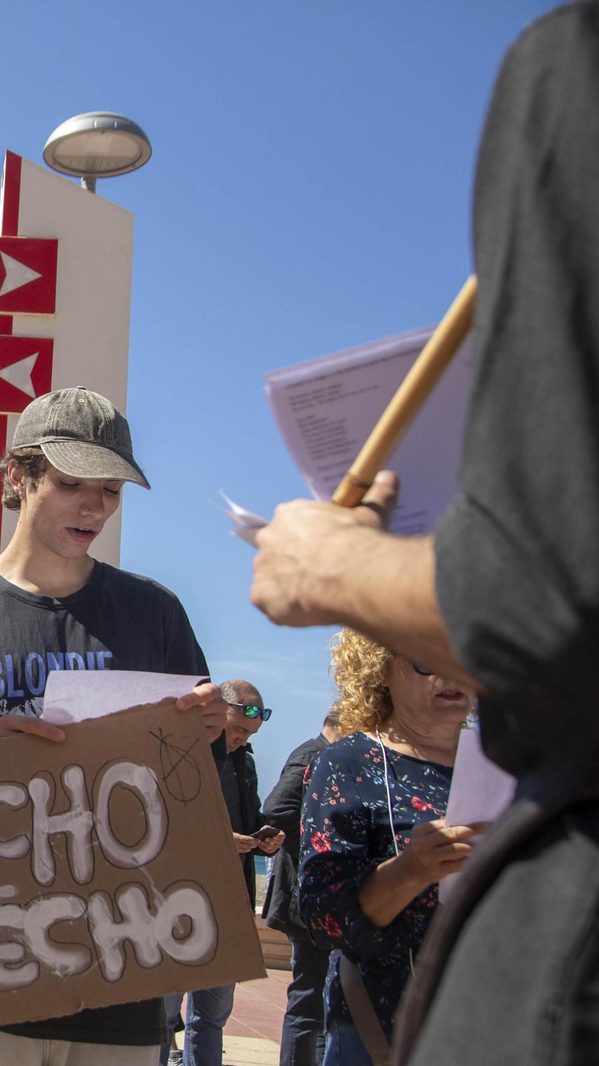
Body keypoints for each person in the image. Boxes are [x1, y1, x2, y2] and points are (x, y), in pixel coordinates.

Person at [247, 9, 599, 1063]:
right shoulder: (349, 761)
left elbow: (553, 592)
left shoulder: (574, 67)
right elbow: (319, 915)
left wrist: (336, 563)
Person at [0, 386, 228, 1066]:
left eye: (110, 489)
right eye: (73, 483)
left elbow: (194, 789)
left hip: (124, 980)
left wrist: (225, 722)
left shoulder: (156, 614)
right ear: (18, 476)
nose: (96, 506)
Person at [297, 630, 475, 1065]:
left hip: (497, 1024)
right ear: (380, 668)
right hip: (383, 1031)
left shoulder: (508, 767)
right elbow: (321, 916)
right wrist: (410, 871)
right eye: (428, 660)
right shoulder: (347, 765)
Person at [163, 681, 280, 1066]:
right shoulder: (180, 752)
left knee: (211, 1017)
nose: (243, 742)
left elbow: (249, 815)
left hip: (229, 901)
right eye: (238, 731)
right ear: (217, 712)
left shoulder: (244, 762)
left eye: (250, 735)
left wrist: (265, 834)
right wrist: (218, 839)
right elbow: (159, 824)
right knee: (161, 1016)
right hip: (177, 903)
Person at [262, 708, 344, 1066]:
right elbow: (277, 808)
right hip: (306, 898)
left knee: (323, 1000)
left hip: (315, 897)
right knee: (309, 999)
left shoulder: (321, 754)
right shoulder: (315, 754)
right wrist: (321, 847)